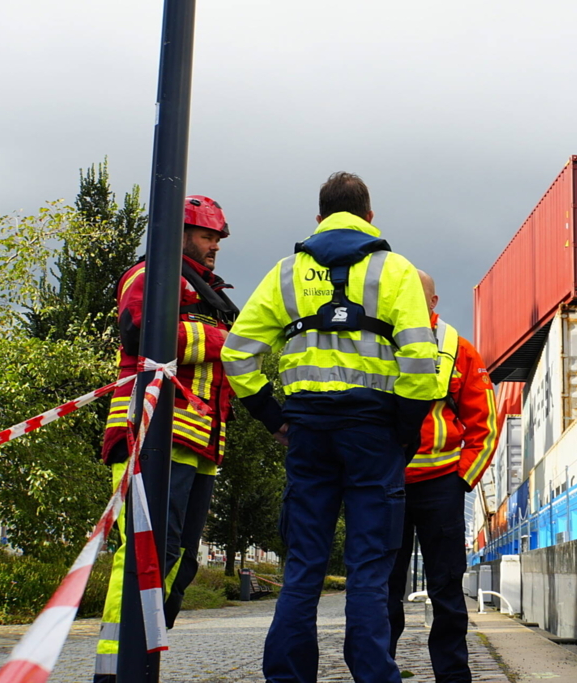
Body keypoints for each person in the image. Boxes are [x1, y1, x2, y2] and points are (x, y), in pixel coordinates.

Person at [221, 172, 439, 683]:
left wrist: (275, 419)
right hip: (374, 433)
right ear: (370, 217)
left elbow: (237, 355)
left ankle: (288, 678)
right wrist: (403, 431)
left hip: (308, 434)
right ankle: (373, 676)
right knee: (368, 570)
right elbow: (420, 364)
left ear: (319, 219)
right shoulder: (398, 272)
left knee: (302, 568)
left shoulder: (285, 274)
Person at [94, 196, 239, 683]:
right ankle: (115, 670)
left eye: (217, 237)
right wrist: (223, 343)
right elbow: (142, 334)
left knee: (180, 562)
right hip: (152, 434)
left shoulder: (208, 293)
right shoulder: (149, 276)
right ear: (176, 233)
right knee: (143, 556)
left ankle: (144, 660)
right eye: (205, 234)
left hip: (198, 443)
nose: (214, 244)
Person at [387, 271, 499, 683]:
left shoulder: (458, 349)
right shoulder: (378, 343)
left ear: (434, 303)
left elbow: (484, 423)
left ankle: (453, 676)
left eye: (421, 299)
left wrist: (461, 480)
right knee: (382, 590)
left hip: (441, 486)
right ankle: (380, 671)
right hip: (388, 486)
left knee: (447, 590)